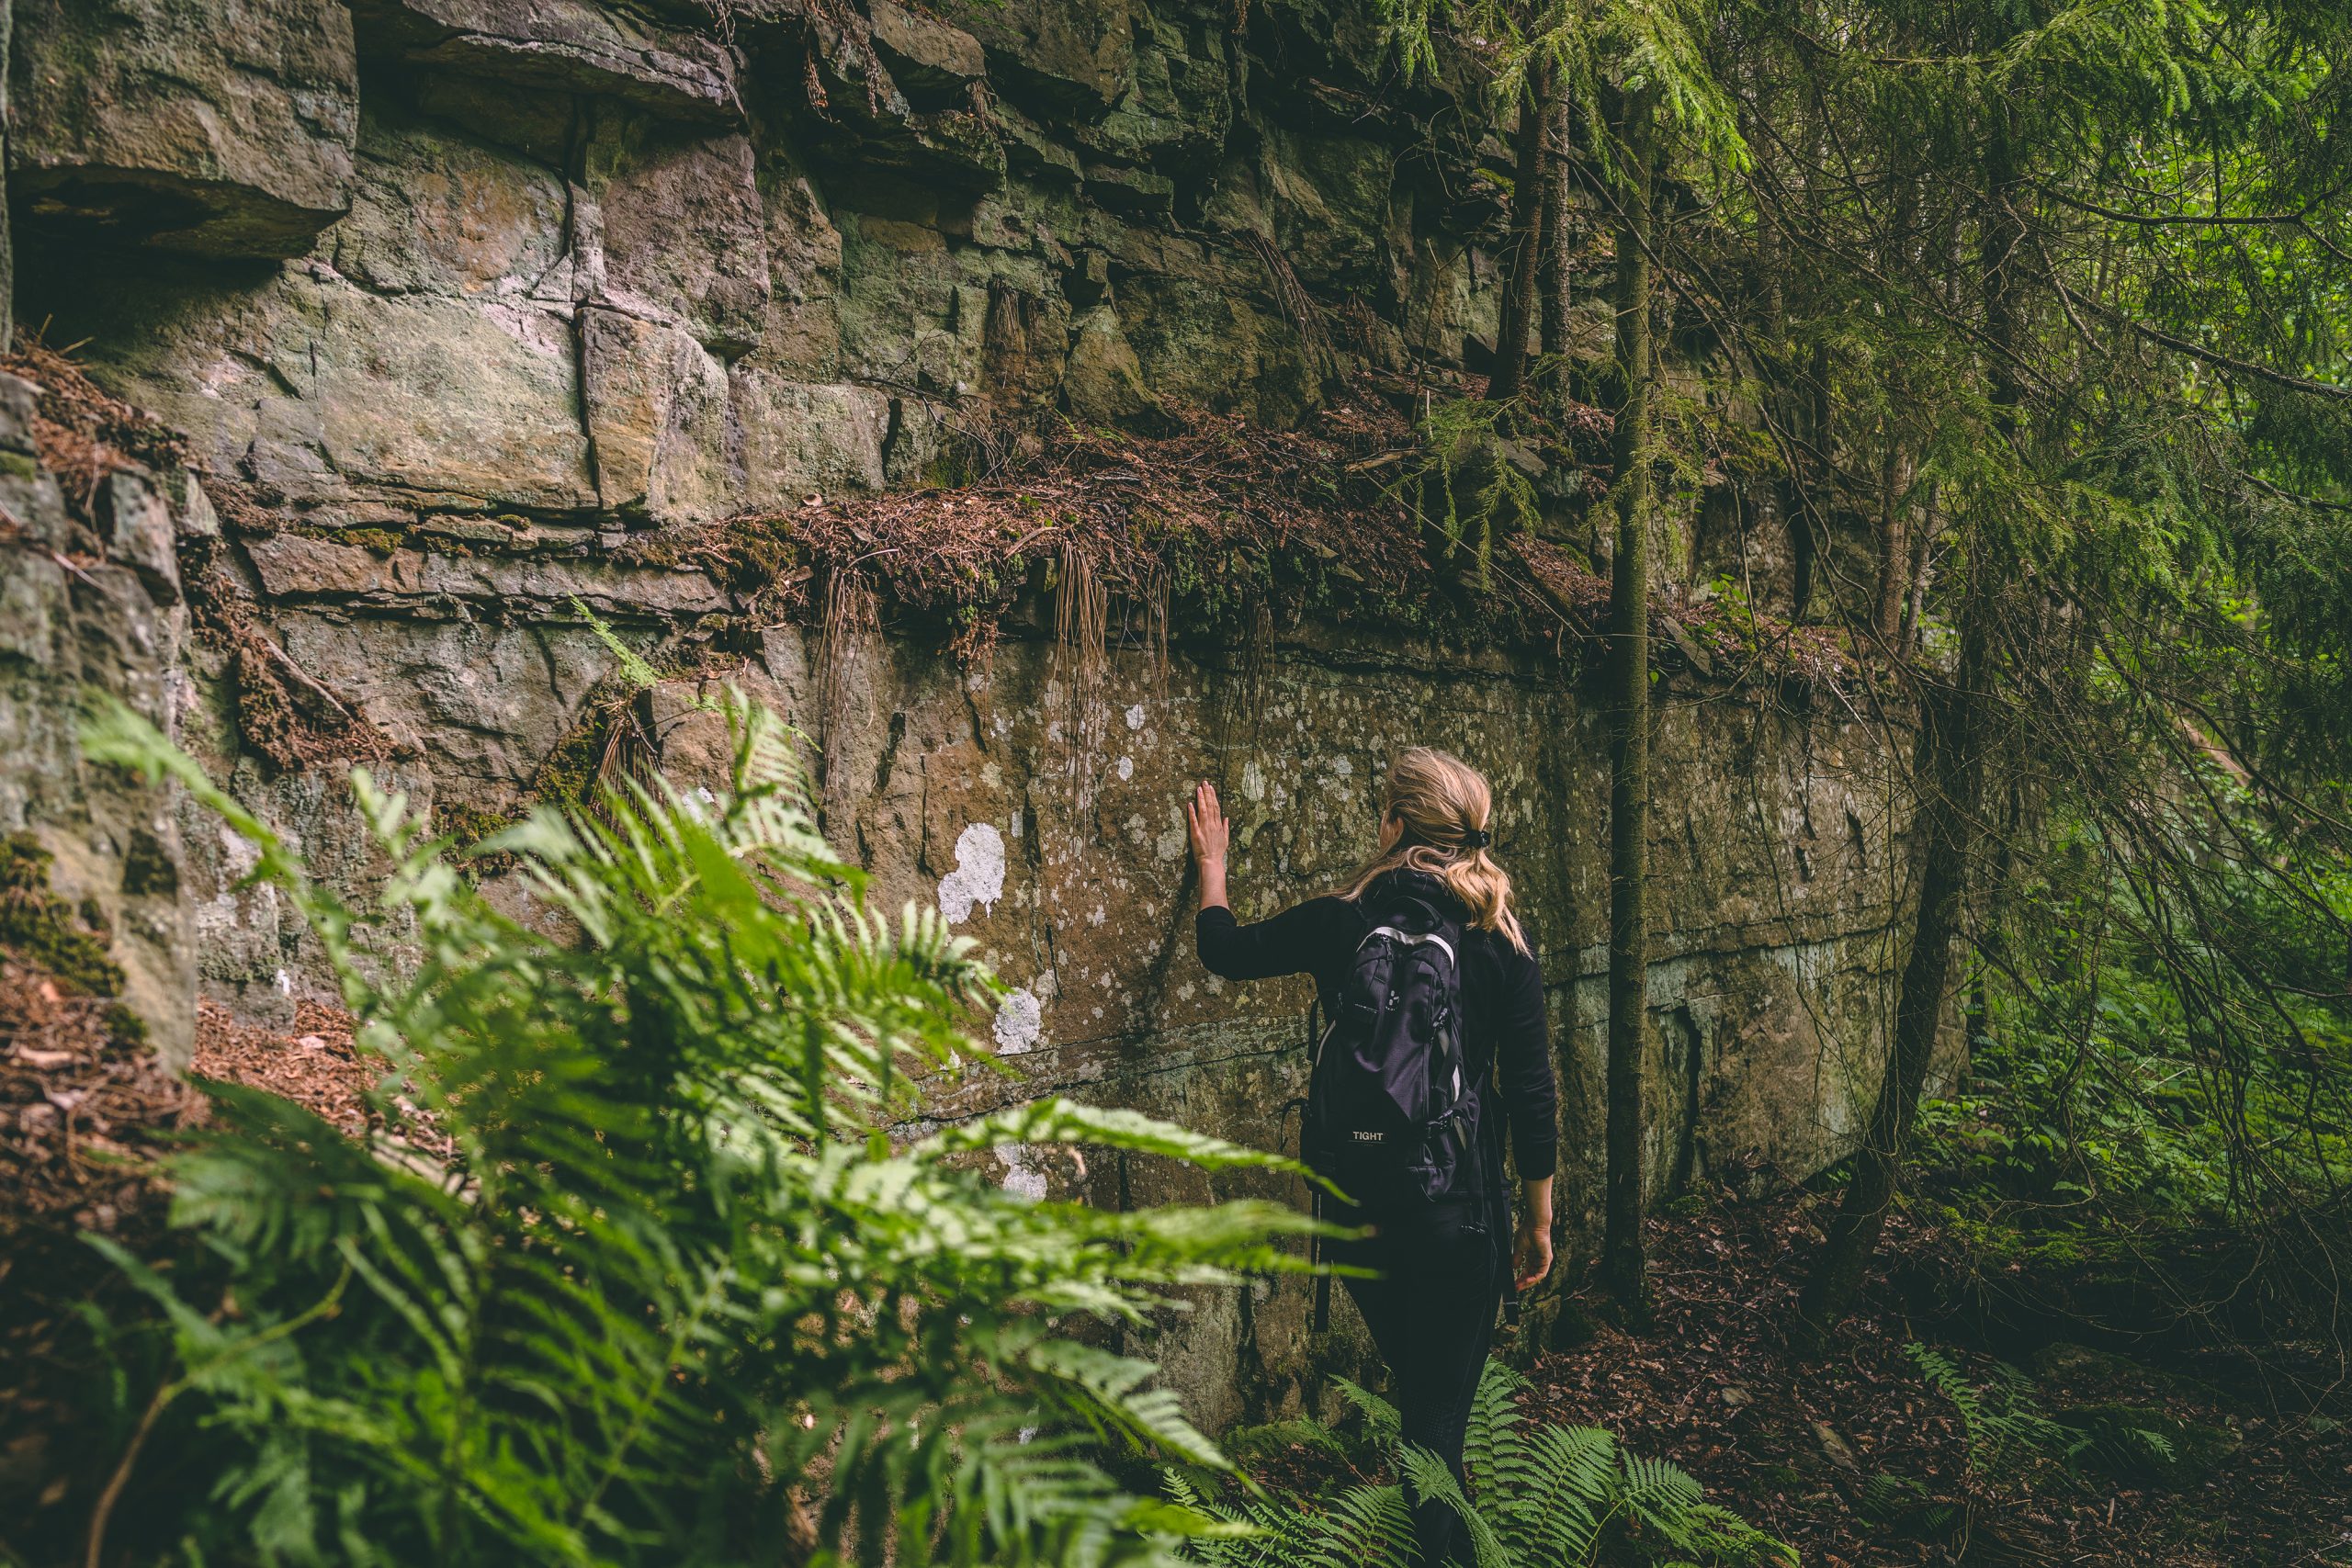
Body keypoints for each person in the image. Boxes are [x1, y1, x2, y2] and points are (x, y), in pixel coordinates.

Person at [1183, 748, 1556, 1565]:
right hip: (1462, 1219)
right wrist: (1538, 1220)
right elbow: (1532, 1095)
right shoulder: (1500, 941)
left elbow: (1225, 951)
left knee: (1427, 1415)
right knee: (1433, 1425)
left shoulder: (1341, 921)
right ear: (1471, 835)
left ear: (1391, 826)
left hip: (1359, 1217)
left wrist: (1212, 866)